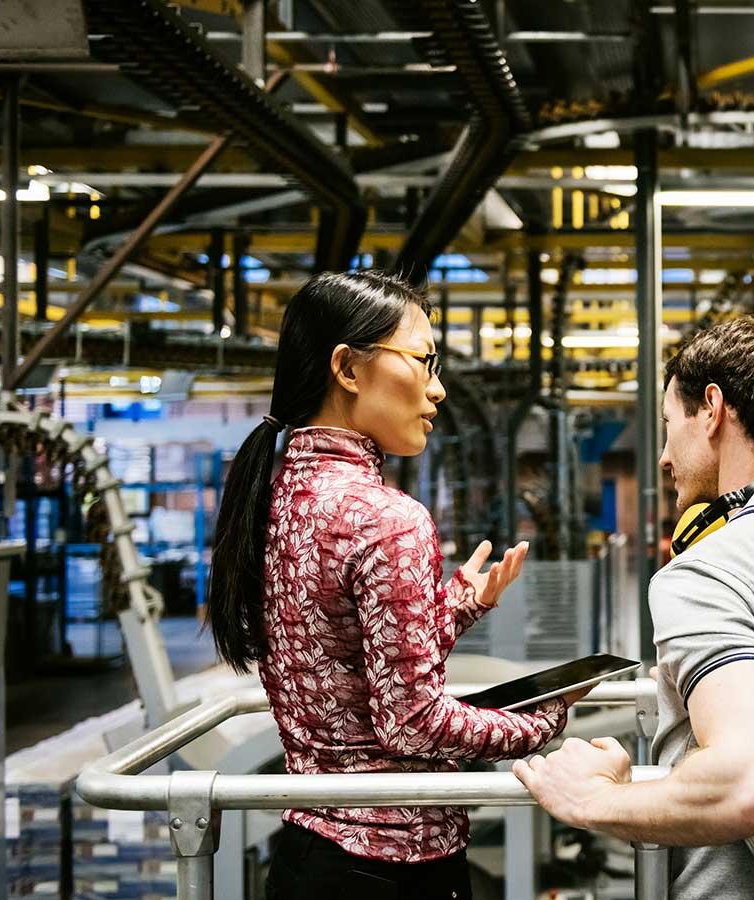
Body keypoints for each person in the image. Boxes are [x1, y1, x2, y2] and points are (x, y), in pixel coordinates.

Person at [207, 271, 579, 899]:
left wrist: (461, 603)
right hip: (393, 871)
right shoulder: (387, 519)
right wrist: (541, 724)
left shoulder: (273, 502)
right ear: (348, 369)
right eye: (423, 361)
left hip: (307, 858)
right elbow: (410, 724)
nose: (437, 391)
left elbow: (346, 660)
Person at [513, 316, 754, 899]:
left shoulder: (708, 571)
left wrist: (600, 800)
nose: (666, 456)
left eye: (671, 426)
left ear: (713, 410)